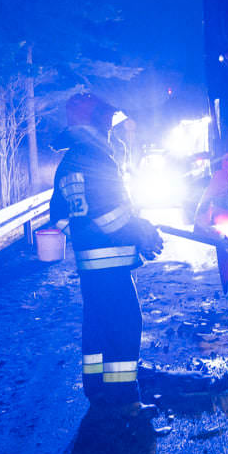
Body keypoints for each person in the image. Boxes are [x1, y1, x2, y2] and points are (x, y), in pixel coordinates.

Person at [50, 93, 163, 418]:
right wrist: (142, 232)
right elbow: (111, 215)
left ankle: (98, 392)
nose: (111, 128)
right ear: (97, 121)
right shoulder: (96, 159)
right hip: (111, 264)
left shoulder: (70, 161)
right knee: (125, 325)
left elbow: (58, 216)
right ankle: (124, 400)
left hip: (90, 265)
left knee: (98, 327)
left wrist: (85, 238)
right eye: (107, 120)